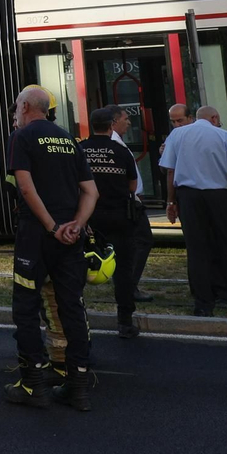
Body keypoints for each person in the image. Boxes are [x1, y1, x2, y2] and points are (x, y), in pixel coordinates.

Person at [5, 86, 97, 412]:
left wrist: (51, 226)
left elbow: (25, 187)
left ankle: (33, 386)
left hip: (37, 237)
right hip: (71, 240)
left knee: (26, 309)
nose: (14, 113)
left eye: (16, 107)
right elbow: (90, 191)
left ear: (27, 106)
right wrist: (75, 224)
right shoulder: (69, 140)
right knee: (72, 308)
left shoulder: (23, 137)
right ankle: (79, 387)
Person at [159, 104, 227, 319]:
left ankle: (203, 304)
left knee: (197, 250)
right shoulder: (224, 136)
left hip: (189, 198)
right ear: (214, 117)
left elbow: (170, 172)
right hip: (220, 197)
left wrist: (171, 202)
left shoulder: (177, 135)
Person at [80, 108, 153, 339]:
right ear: (111, 125)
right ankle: (125, 322)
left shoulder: (80, 149)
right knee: (123, 271)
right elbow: (133, 186)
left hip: (88, 219)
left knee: (76, 268)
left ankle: (76, 319)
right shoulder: (120, 151)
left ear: (91, 125)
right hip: (120, 217)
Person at [109, 108, 154, 303]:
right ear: (114, 122)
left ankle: (127, 284)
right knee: (141, 241)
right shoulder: (114, 143)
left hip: (131, 200)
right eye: (125, 119)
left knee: (133, 243)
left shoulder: (118, 141)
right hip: (129, 202)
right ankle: (129, 286)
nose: (129, 123)